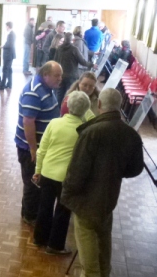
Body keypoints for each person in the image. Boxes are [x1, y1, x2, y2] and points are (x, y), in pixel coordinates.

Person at [61, 88, 144, 277]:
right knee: (104, 255)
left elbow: (76, 173)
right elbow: (136, 169)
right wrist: (115, 172)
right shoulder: (130, 134)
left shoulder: (91, 132)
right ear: (121, 105)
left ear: (98, 105)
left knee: (89, 266)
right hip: (108, 201)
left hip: (85, 204)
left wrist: (67, 195)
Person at [32, 91, 91, 255]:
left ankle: (39, 238)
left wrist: (38, 171)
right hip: (68, 178)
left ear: (68, 106)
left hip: (47, 172)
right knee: (63, 212)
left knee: (44, 206)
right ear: (86, 109)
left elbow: (41, 150)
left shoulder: (54, 123)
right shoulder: (85, 130)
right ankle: (55, 245)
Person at [14, 61, 62, 226]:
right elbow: (28, 122)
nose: (60, 79)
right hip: (29, 149)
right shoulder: (34, 92)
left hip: (40, 147)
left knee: (35, 182)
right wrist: (34, 148)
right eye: (57, 75)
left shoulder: (46, 88)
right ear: (45, 75)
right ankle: (30, 216)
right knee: (32, 183)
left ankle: (28, 212)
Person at [54, 32, 95, 108]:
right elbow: (82, 61)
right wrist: (92, 64)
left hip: (61, 75)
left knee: (59, 94)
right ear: (72, 40)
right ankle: (67, 109)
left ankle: (58, 110)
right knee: (70, 94)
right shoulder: (74, 49)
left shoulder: (59, 49)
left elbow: (55, 61)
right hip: (71, 75)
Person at [0, 22, 16, 90]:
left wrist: (3, 46)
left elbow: (9, 45)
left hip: (8, 54)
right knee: (9, 69)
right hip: (10, 54)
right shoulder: (11, 34)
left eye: (6, 26)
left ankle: (2, 85)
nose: (5, 28)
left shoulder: (11, 34)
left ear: (8, 26)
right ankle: (9, 84)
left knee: (5, 69)